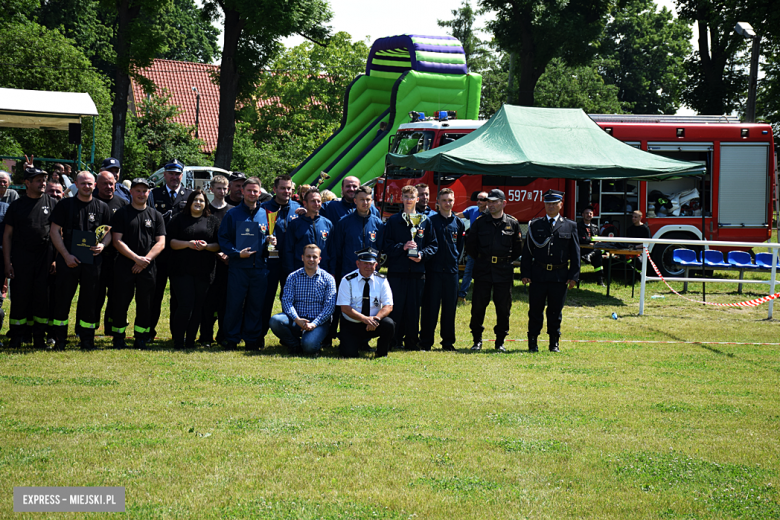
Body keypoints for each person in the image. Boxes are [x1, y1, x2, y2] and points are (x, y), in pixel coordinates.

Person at [49, 171, 112, 350]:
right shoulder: (65, 205)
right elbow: (54, 231)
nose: (87, 186)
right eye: (83, 183)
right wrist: (65, 255)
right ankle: (60, 340)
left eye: (90, 184)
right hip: (68, 259)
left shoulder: (102, 207)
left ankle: (87, 340)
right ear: (76, 184)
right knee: (62, 300)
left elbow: (109, 234)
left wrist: (103, 246)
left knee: (90, 301)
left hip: (92, 262)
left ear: (95, 185)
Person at [218, 177, 276, 350]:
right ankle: (232, 339)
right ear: (242, 191)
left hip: (260, 268)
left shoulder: (267, 215)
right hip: (238, 268)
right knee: (234, 305)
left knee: (256, 305)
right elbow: (223, 239)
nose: (252, 194)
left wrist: (271, 241)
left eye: (255, 191)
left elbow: (269, 242)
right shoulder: (232, 214)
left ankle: (252, 340)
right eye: (249, 190)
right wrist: (237, 254)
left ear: (260, 193)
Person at [520, 189, 580, 353]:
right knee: (535, 311)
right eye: (548, 203)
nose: (551, 206)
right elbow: (527, 252)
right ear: (544, 204)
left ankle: (554, 342)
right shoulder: (535, 225)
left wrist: (574, 276)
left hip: (559, 276)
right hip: (538, 274)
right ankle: (532, 342)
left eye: (554, 203)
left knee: (555, 311)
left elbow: (575, 253)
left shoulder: (570, 225)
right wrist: (525, 273)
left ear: (561, 204)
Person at [110, 179, 166, 349]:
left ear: (149, 193)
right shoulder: (121, 213)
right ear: (131, 192)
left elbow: (161, 242)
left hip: (147, 267)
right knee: (121, 302)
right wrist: (136, 259)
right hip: (125, 265)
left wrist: (145, 260)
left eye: (145, 191)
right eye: (138, 191)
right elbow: (116, 240)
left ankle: (141, 337)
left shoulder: (156, 215)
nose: (142, 194)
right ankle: (118, 337)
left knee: (145, 303)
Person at [466, 189, 523, 352]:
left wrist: (504, 260)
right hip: (483, 269)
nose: (490, 205)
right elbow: (471, 246)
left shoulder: (512, 223)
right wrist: (482, 259)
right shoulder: (480, 222)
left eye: (494, 202)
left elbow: (518, 249)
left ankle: (500, 342)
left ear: (504, 203)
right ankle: (477, 340)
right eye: (488, 202)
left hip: (503, 271)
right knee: (477, 307)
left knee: (503, 309)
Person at [3, 168, 54, 348]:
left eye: (44, 180)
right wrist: (7, 261)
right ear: (27, 183)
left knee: (42, 298)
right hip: (21, 259)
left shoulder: (52, 203)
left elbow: (58, 234)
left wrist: (54, 259)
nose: (42, 183)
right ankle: (17, 335)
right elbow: (7, 235)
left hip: (44, 259)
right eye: (38, 180)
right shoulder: (16, 206)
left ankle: (39, 337)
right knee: (20, 297)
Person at [382, 184, 438, 350]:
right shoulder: (393, 221)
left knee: (414, 309)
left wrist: (421, 255)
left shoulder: (425, 221)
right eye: (405, 197)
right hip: (397, 272)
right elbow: (386, 245)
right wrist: (402, 247)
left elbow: (433, 245)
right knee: (396, 307)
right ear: (401, 198)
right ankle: (393, 340)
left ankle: (412, 342)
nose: (408, 200)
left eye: (412, 197)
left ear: (417, 199)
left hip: (417, 272)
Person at [167, 189, 221, 349]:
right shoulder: (178, 219)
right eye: (195, 200)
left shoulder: (213, 221)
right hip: (181, 271)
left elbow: (218, 245)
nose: (198, 203)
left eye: (202, 200)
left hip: (204, 272)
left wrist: (206, 247)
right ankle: (178, 340)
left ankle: (190, 340)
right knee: (185, 305)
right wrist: (188, 244)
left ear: (206, 203)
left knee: (198, 306)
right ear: (190, 202)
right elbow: (170, 242)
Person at [150, 160, 193, 340]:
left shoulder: (189, 195)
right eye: (171, 174)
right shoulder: (154, 194)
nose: (174, 177)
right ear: (164, 175)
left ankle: (177, 334)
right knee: (155, 294)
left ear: (182, 175)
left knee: (178, 297)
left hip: (181, 254)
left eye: (178, 174)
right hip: (159, 254)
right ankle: (148, 332)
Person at [270, 244, 336, 355]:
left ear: (319, 259)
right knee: (275, 321)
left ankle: (309, 343)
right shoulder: (293, 277)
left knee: (309, 346)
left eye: (314, 257)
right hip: (297, 320)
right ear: (302, 257)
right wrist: (297, 319)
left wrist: (314, 324)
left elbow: (329, 307)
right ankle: (294, 344)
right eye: (308, 256)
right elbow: (286, 301)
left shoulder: (328, 279)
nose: (311, 259)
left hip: (319, 322)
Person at [420, 188, 465, 351]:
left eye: (450, 200)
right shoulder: (430, 221)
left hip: (451, 272)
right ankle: (425, 342)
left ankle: (448, 343)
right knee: (430, 308)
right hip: (433, 271)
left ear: (454, 202)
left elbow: (459, 246)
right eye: (444, 200)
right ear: (437, 202)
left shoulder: (458, 223)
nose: (447, 203)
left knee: (449, 308)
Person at [260, 174, 301, 339]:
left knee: (290, 302)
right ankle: (258, 336)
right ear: (274, 189)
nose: (286, 191)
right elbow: (257, 233)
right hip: (269, 262)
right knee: (265, 300)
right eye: (283, 188)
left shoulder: (298, 209)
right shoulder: (263, 208)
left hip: (291, 264)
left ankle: (288, 337)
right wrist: (265, 240)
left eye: (289, 188)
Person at [336, 247, 394, 358]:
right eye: (365, 263)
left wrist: (376, 319)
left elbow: (388, 306)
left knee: (388, 324)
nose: (368, 267)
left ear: (376, 265)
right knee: (348, 354)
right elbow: (345, 308)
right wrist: (364, 319)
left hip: (374, 322)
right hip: (352, 324)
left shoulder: (382, 280)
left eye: (371, 264)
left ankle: (381, 353)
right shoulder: (347, 280)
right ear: (358, 264)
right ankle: (350, 343)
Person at [199, 175, 233, 345]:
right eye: (218, 188)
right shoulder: (205, 210)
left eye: (225, 188)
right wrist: (217, 252)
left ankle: (223, 336)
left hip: (229, 264)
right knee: (208, 302)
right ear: (211, 190)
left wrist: (228, 254)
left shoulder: (233, 211)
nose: (222, 191)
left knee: (225, 303)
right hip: (209, 263)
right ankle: (205, 336)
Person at [93, 171, 128, 337]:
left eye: (111, 183)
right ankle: (87, 329)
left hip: (117, 258)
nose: (108, 187)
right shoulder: (90, 200)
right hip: (94, 257)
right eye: (104, 183)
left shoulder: (122, 204)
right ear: (96, 185)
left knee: (115, 295)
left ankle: (110, 328)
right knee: (94, 294)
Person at [284, 188, 332, 276]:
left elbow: (332, 250)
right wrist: (290, 271)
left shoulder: (327, 224)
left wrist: (332, 271)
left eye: (318, 201)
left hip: (323, 271)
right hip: (300, 272)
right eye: (313, 201)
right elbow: (288, 250)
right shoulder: (295, 224)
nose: (316, 204)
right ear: (305, 203)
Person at [456, 191, 488, 303]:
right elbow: (458, 216)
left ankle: (482, 297)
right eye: (478, 199)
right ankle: (461, 295)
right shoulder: (472, 210)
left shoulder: (491, 213)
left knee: (484, 274)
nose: (479, 201)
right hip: (473, 248)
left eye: (482, 199)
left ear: (488, 201)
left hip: (486, 250)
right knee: (468, 272)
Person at [577, 206, 605, 286]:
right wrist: (589, 241)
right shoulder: (577, 226)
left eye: (590, 213)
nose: (588, 215)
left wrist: (596, 242)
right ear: (582, 215)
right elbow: (578, 238)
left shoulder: (595, 228)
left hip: (593, 250)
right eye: (586, 213)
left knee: (599, 256)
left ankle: (600, 281)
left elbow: (598, 239)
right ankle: (576, 279)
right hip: (581, 249)